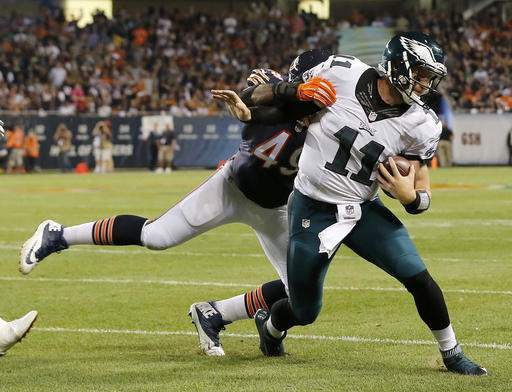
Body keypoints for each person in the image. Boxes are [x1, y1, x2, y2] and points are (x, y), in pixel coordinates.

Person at [18, 56, 335, 359]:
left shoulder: (333, 119)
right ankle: (59, 234)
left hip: (275, 209)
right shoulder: (276, 98)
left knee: (300, 288)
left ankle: (215, 313)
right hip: (231, 189)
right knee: (156, 236)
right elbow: (252, 101)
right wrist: (268, 96)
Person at [221, 32, 486, 376]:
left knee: (418, 277)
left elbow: (421, 194)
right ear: (398, 66)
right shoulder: (340, 71)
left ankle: (451, 352)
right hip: (313, 209)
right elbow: (281, 103)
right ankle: (270, 326)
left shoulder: (422, 124)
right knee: (305, 310)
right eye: (420, 73)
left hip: (362, 209)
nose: (424, 84)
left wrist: (410, 198)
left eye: (428, 77)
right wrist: (249, 105)